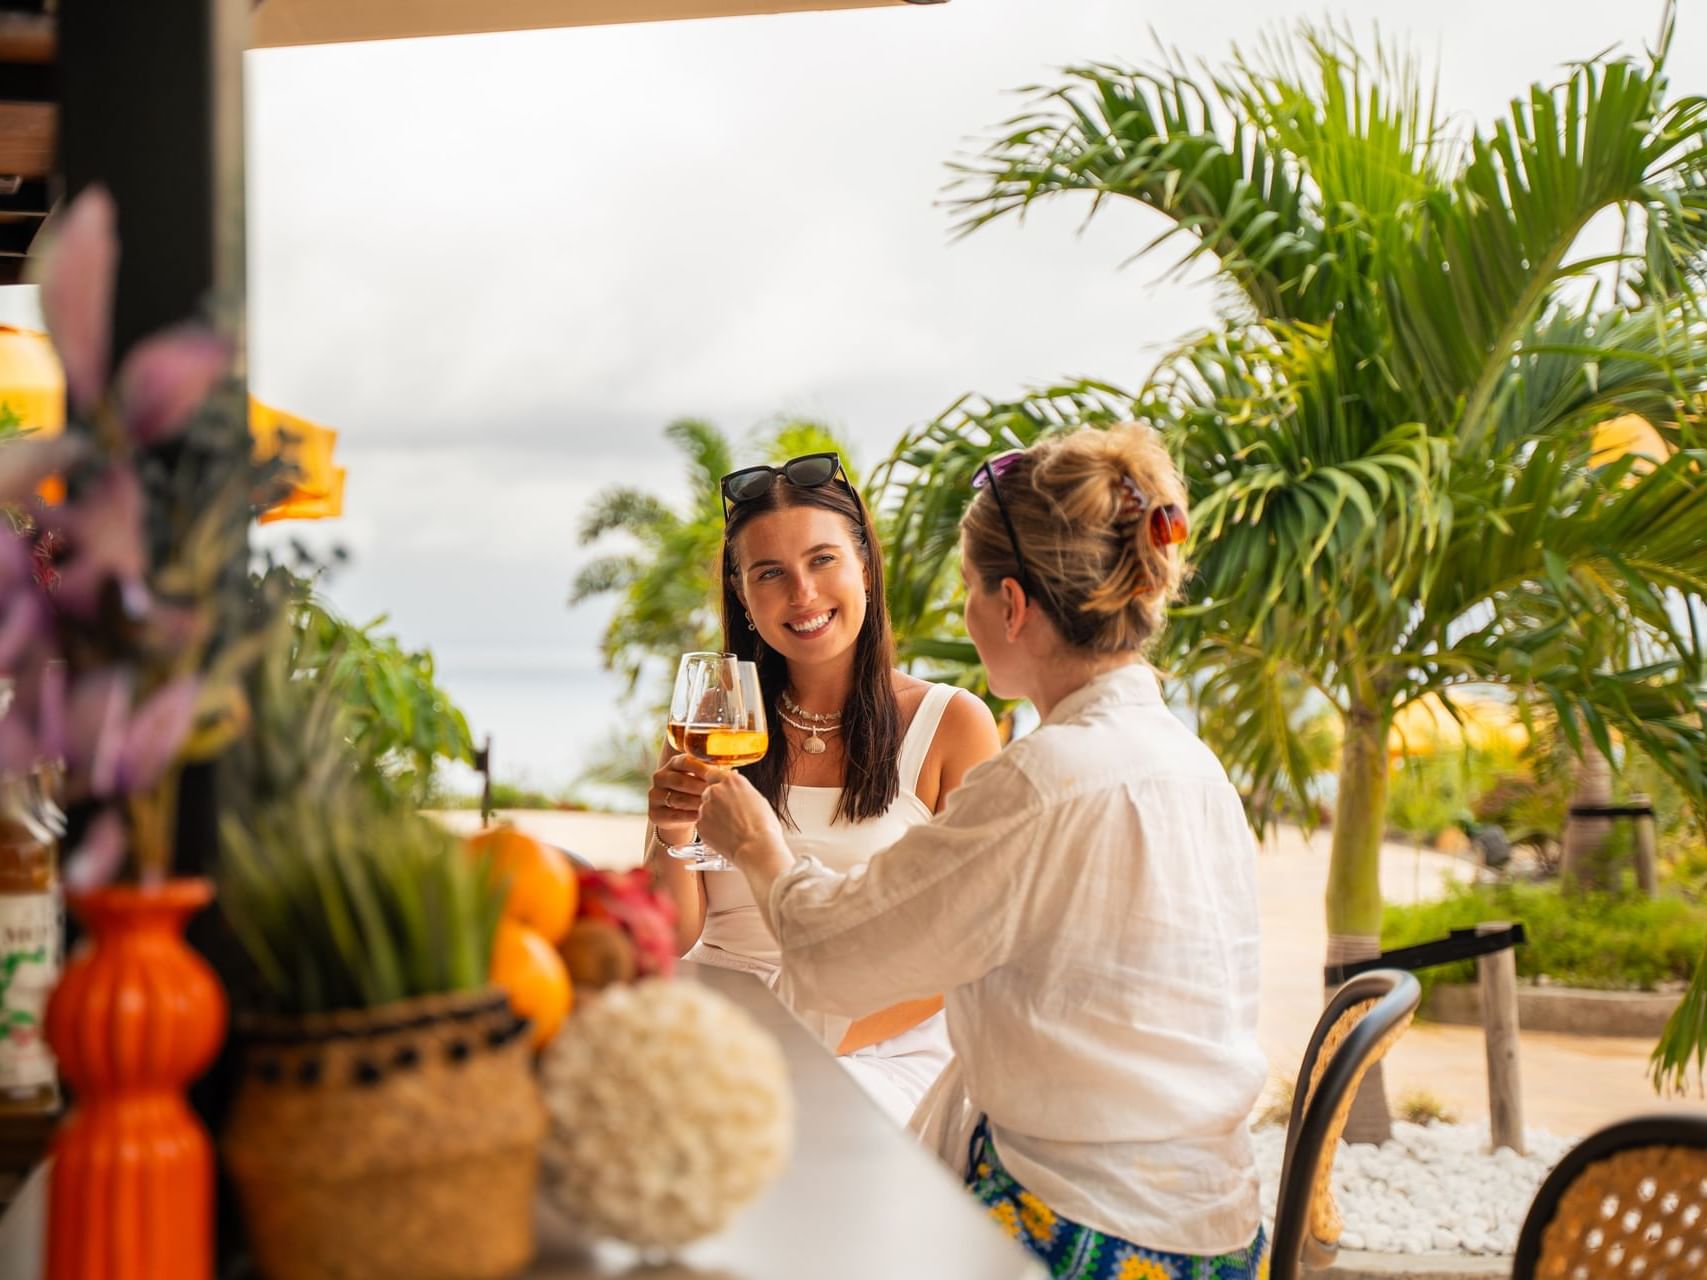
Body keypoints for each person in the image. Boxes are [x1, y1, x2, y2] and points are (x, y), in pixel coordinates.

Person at [696, 426, 1268, 1278]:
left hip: (1083, 1228)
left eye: (968, 591)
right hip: (1216, 1224)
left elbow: (839, 956)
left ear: (1010, 606)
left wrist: (758, 848)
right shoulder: (1189, 765)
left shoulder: (1042, 780)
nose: (965, 615)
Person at [643, 451, 1001, 1123]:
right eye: (769, 574)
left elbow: (967, 953)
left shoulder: (949, 725)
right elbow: (671, 934)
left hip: (871, 1045)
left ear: (864, 566)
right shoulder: (706, 726)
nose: (801, 594)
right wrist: (670, 837)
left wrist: (811, 1042)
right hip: (715, 1029)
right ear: (744, 599)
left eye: (822, 561)